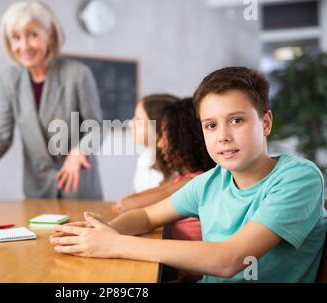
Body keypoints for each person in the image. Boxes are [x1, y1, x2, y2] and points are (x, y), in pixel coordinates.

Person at [50, 67, 327, 282]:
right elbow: (146, 216)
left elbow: (230, 259)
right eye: (210, 125)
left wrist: (115, 244)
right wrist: (105, 231)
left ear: (265, 122)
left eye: (237, 120)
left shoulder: (299, 178)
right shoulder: (211, 181)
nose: (223, 137)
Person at [0, 1, 103, 200]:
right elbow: (1, 137)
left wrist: (79, 151)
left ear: (50, 36)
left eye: (33, 35)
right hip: (38, 190)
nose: (24, 46)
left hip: (78, 186)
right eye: (16, 37)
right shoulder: (9, 79)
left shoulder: (78, 74)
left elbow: (96, 128)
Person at [112, 97, 215, 221]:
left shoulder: (193, 182)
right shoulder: (184, 178)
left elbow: (130, 205)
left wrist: (132, 200)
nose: (160, 144)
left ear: (185, 140)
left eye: (165, 135)